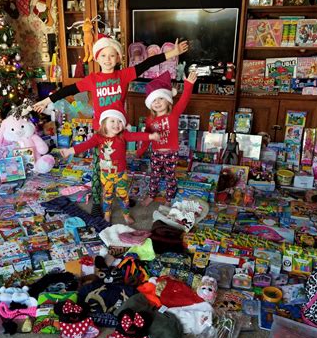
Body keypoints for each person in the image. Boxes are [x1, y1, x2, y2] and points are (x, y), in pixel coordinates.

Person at [34, 35, 189, 217]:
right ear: (96, 58)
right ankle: (97, 201)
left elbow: (147, 64)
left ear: (118, 58)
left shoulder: (123, 75)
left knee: (120, 165)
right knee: (99, 167)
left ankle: (122, 196)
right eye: (103, 55)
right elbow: (69, 89)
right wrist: (47, 100)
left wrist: (172, 53)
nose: (107, 59)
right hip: (101, 131)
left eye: (112, 55)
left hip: (119, 129)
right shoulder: (93, 79)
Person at [60, 109, 159, 225]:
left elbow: (136, 135)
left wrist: (151, 136)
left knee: (123, 195)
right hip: (106, 175)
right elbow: (84, 145)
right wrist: (69, 151)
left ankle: (126, 215)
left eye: (120, 121)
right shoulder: (98, 137)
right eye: (112, 121)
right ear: (104, 123)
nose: (116, 124)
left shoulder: (123, 135)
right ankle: (107, 214)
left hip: (121, 174)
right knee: (107, 196)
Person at [136, 70, 198, 206]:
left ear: (168, 100)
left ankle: (169, 199)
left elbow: (184, 100)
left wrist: (188, 85)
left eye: (161, 98)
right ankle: (152, 195)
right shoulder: (149, 119)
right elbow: (147, 137)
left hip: (171, 153)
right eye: (154, 100)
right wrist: (140, 151)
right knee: (154, 176)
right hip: (156, 153)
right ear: (150, 104)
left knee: (170, 177)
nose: (157, 102)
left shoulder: (174, 113)